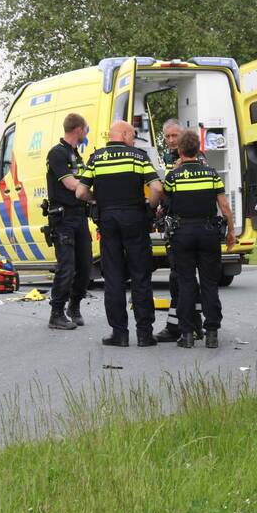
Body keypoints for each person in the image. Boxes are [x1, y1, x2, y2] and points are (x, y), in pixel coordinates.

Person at [76, 120, 163, 347]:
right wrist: (150, 207)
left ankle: (119, 333)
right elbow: (157, 188)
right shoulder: (138, 156)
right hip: (135, 218)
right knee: (140, 276)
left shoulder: (96, 158)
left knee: (113, 277)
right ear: (124, 134)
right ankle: (144, 334)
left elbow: (80, 191)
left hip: (108, 220)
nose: (133, 140)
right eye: (132, 135)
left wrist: (96, 198)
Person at [162, 129, 236, 348]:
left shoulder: (173, 176)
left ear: (181, 150)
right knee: (209, 284)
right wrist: (231, 231)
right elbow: (224, 206)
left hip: (182, 233)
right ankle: (211, 332)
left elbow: (165, 198)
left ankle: (186, 334)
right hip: (208, 233)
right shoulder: (212, 174)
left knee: (185, 284)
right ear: (198, 150)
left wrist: (175, 170)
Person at [156, 118, 204, 342]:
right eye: (167, 137)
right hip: (172, 223)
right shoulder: (168, 158)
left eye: (175, 135)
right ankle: (180, 323)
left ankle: (191, 324)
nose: (172, 140)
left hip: (186, 227)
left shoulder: (195, 158)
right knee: (178, 278)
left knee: (182, 278)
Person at [45, 112, 92, 330]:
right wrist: (94, 194)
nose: (86, 133)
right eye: (85, 129)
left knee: (85, 265)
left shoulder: (76, 154)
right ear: (79, 129)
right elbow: (72, 185)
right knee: (67, 266)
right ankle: (57, 313)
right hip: (63, 218)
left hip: (80, 216)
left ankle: (74, 306)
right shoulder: (57, 153)